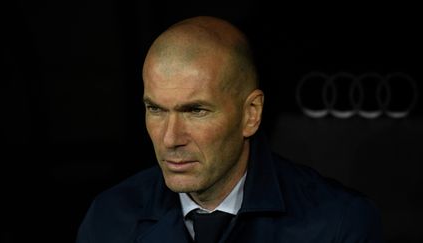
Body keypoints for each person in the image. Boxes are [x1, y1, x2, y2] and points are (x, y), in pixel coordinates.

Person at [76, 16, 385, 243]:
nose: (170, 139)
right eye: (156, 109)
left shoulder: (338, 225)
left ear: (251, 114)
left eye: (195, 111)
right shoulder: (109, 219)